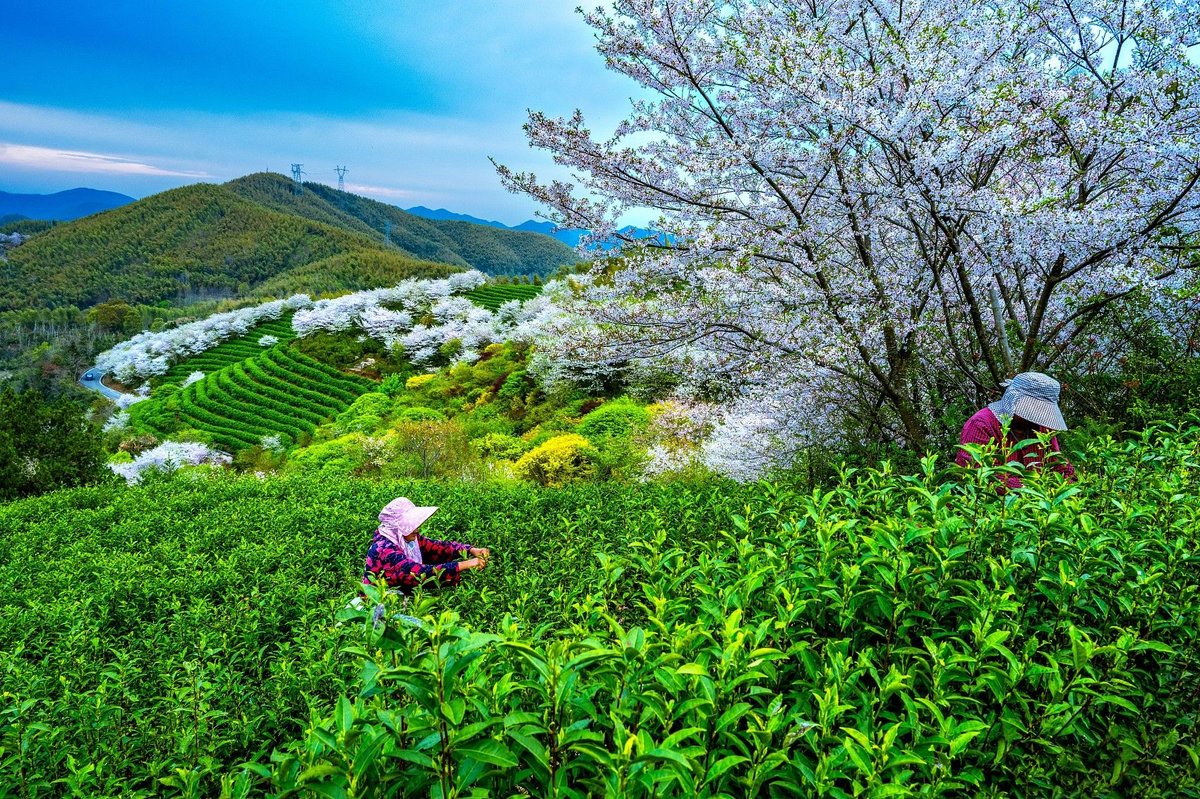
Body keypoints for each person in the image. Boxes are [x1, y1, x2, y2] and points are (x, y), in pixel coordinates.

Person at [956, 372, 1077, 492]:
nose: (1035, 417)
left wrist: (1071, 486)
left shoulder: (1043, 429)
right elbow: (979, 474)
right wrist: (1032, 490)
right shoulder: (982, 424)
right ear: (1013, 401)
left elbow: (1060, 467)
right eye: (1032, 410)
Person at [362, 497, 490, 593]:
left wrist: (471, 550)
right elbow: (418, 574)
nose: (416, 530)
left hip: (397, 602)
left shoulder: (409, 540)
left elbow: (438, 548)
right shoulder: (384, 548)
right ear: (397, 527)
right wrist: (465, 565)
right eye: (411, 526)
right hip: (376, 608)